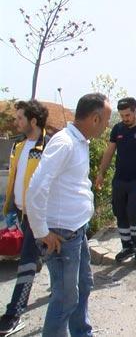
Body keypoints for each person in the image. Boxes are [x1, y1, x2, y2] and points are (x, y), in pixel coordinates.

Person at [26, 93, 111, 336]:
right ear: (95, 119)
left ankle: (82, 332)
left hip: (76, 230)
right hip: (61, 235)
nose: (106, 126)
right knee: (64, 298)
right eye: (105, 120)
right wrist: (42, 231)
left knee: (83, 285)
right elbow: (36, 188)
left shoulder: (79, 142)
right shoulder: (65, 143)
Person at [0, 100, 49, 336]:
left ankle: (13, 314)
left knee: (27, 261)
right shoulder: (18, 146)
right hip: (20, 212)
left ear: (33, 120)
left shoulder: (48, 146)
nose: (16, 121)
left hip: (39, 215)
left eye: (20, 118)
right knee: (51, 256)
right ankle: (72, 287)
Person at [96, 97, 136, 265]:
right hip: (120, 180)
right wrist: (101, 173)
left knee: (134, 213)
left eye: (128, 115)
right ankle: (127, 247)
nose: (125, 118)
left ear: (135, 110)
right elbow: (109, 152)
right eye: (122, 115)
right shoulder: (117, 129)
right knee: (120, 213)